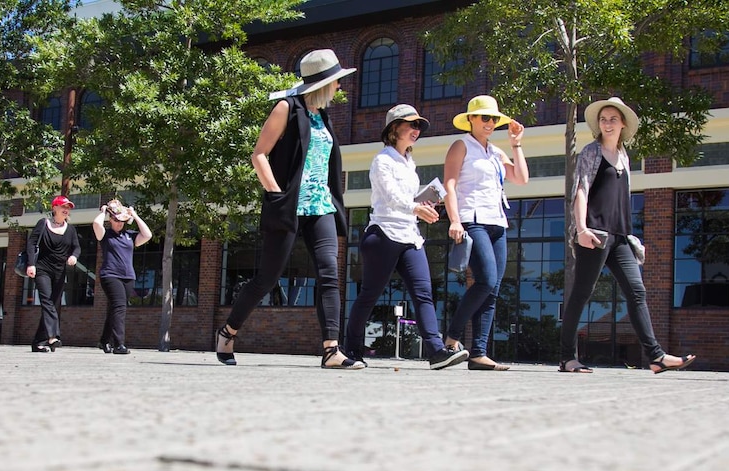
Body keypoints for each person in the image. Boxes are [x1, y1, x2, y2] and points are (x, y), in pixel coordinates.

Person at [215, 48, 363, 369]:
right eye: (336, 82)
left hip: (320, 205)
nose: (339, 87)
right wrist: (276, 194)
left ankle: (331, 350)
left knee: (328, 274)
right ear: (323, 83)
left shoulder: (322, 115)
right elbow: (259, 154)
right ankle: (228, 331)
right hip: (289, 206)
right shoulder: (286, 107)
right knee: (267, 279)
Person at [560, 97, 696, 374]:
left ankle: (656, 357)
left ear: (623, 124)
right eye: (603, 119)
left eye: (613, 119)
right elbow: (581, 191)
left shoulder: (623, 156)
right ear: (598, 125)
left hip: (621, 236)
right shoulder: (591, 152)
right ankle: (567, 358)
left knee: (637, 292)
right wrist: (582, 229)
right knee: (581, 295)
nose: (607, 123)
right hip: (596, 234)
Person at [344, 104, 470, 369]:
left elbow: (408, 198)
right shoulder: (382, 160)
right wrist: (415, 207)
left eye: (418, 127)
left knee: (424, 293)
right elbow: (391, 196)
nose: (416, 130)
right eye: (411, 125)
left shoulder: (409, 162)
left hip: (410, 236)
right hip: (384, 235)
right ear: (394, 128)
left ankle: (436, 352)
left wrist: (424, 203)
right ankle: (352, 349)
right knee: (369, 295)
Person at [442, 95, 528, 371]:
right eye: (485, 118)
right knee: (486, 281)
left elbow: (521, 178)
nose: (490, 123)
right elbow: (450, 185)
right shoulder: (461, 145)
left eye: (494, 119)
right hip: (472, 220)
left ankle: (478, 353)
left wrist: (516, 145)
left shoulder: (495, 152)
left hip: (497, 223)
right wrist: (455, 220)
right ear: (471, 119)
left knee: (493, 289)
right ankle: (452, 337)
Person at [92, 199, 152, 355]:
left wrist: (135, 215)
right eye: (116, 220)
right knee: (119, 307)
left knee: (115, 309)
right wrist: (103, 211)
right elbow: (96, 225)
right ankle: (119, 344)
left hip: (128, 277)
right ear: (111, 219)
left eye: (122, 220)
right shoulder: (106, 235)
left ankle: (104, 341)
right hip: (110, 275)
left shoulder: (130, 236)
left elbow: (147, 234)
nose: (119, 223)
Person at [25, 195, 81, 353]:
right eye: (63, 206)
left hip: (59, 271)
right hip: (42, 269)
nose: (66, 210)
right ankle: (53, 336)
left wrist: (73, 256)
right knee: (47, 302)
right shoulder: (44, 223)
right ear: (54, 208)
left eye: (68, 207)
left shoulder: (70, 229)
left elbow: (77, 248)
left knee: (52, 305)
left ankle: (38, 342)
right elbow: (31, 243)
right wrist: (31, 264)